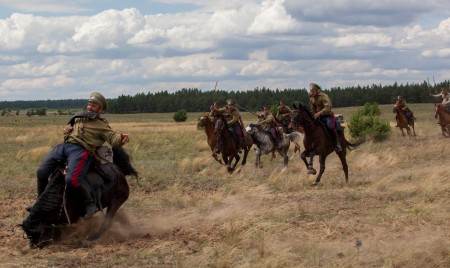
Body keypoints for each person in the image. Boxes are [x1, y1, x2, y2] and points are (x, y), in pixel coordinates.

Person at [28, 92, 130, 218]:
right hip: (64, 147)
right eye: (89, 104)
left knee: (72, 179)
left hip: (80, 150)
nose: (89, 107)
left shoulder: (101, 124)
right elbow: (70, 132)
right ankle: (40, 203)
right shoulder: (79, 117)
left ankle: (90, 204)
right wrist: (66, 131)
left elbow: (112, 137)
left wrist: (121, 138)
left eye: (93, 105)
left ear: (100, 109)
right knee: (41, 172)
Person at [309, 83, 342, 152]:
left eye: (313, 91)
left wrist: (319, 113)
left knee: (330, 127)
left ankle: (337, 143)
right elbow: (312, 109)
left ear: (317, 90)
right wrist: (313, 115)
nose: (311, 92)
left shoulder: (323, 96)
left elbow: (328, 107)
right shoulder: (311, 98)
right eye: (310, 91)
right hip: (318, 117)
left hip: (327, 116)